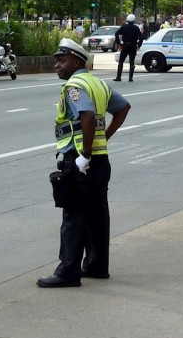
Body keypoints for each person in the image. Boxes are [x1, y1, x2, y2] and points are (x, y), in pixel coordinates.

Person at [37, 38, 130, 288]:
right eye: (56, 60)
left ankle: (68, 271)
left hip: (81, 160)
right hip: (101, 161)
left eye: (62, 60)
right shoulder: (98, 83)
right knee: (97, 215)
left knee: (74, 215)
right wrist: (105, 137)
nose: (57, 64)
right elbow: (123, 108)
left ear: (77, 61)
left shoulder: (74, 86)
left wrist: (84, 154)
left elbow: (86, 114)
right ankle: (97, 266)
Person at [114, 14, 143, 82]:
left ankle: (118, 76)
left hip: (125, 45)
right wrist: (139, 45)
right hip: (133, 46)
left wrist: (119, 43)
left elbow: (116, 33)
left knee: (121, 61)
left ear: (127, 20)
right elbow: (141, 37)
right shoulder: (136, 28)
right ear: (134, 20)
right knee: (132, 62)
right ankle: (130, 77)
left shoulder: (124, 27)